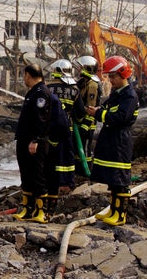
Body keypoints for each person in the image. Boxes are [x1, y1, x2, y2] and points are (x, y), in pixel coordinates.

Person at [87, 56, 139, 226]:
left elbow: (119, 118)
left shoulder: (129, 96)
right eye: (109, 76)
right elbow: (106, 108)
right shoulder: (117, 94)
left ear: (123, 74)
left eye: (113, 76)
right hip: (111, 139)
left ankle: (120, 213)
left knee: (120, 179)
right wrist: (98, 110)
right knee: (112, 179)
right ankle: (113, 209)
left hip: (120, 141)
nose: (111, 80)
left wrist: (98, 114)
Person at [13, 64, 52, 223]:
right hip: (24, 140)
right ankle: (27, 209)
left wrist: (36, 140)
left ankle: (42, 211)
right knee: (26, 174)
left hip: (34, 142)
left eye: (24, 76)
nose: (24, 79)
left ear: (28, 75)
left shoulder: (41, 93)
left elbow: (41, 120)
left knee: (37, 175)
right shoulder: (33, 92)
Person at [45, 59, 84, 217]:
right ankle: (67, 182)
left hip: (50, 128)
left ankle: (51, 183)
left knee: (51, 157)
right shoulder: (75, 90)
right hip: (67, 128)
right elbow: (80, 112)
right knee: (67, 156)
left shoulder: (47, 88)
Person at [73, 55, 102, 173]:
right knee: (77, 148)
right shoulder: (82, 82)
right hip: (80, 121)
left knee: (85, 148)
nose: (79, 70)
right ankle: (79, 170)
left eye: (81, 68)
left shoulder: (92, 85)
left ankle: (87, 171)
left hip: (88, 123)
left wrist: (85, 125)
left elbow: (91, 108)